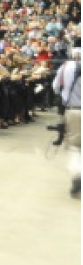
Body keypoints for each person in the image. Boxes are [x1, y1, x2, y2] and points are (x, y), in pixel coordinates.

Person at [52, 48, 81, 197]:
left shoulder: (65, 67)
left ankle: (77, 174)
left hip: (74, 110)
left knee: (75, 147)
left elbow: (56, 88)